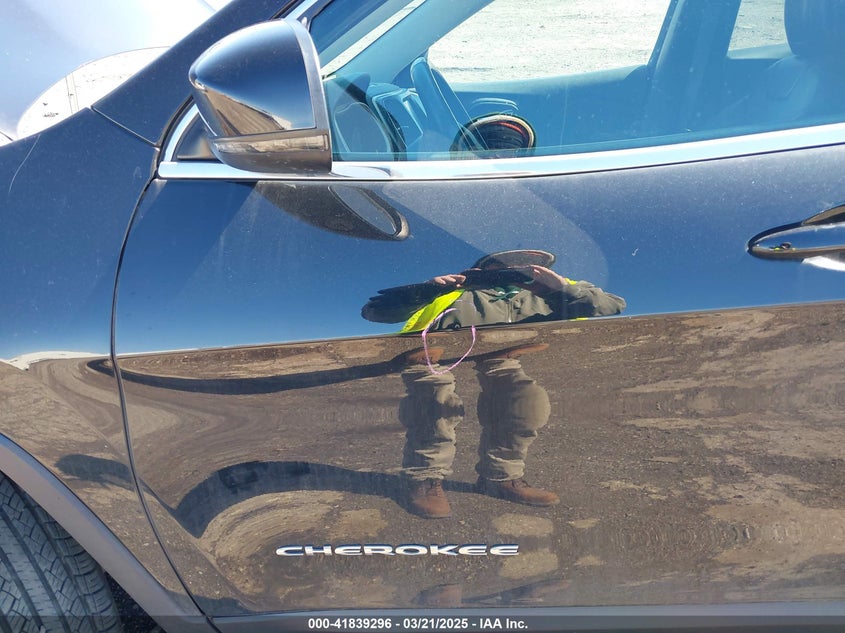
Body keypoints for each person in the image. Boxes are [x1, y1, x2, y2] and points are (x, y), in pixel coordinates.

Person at [362, 250, 625, 518]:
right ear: (482, 269)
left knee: (526, 403)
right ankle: (423, 478)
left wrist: (560, 289)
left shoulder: (553, 289)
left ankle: (500, 478)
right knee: (437, 402)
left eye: (526, 265)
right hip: (429, 355)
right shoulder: (454, 292)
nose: (514, 268)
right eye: (502, 265)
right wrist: (426, 290)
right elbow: (375, 312)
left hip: (503, 356)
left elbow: (612, 305)